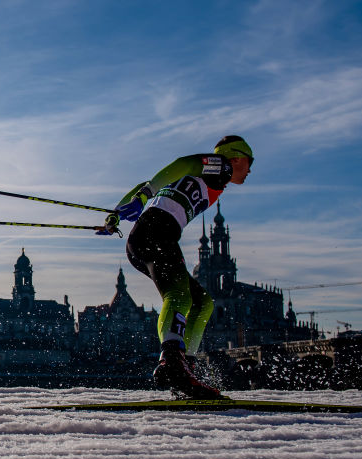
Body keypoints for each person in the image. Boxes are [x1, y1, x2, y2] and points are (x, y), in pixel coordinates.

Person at [100, 135, 253, 399]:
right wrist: (145, 196)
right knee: (180, 296)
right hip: (157, 232)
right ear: (236, 157)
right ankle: (172, 362)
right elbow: (183, 162)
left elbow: (143, 185)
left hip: (145, 239)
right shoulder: (222, 167)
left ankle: (185, 367)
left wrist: (117, 212)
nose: (249, 170)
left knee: (202, 302)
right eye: (249, 162)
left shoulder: (201, 180)